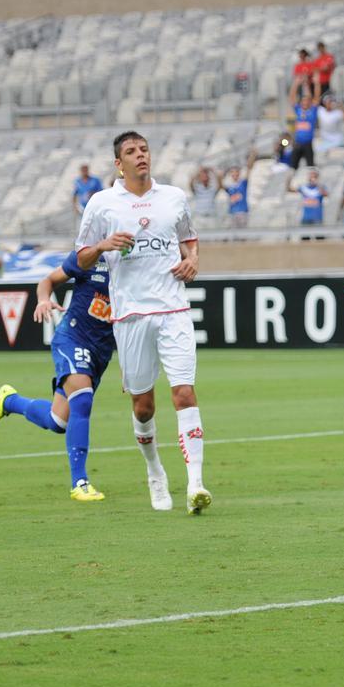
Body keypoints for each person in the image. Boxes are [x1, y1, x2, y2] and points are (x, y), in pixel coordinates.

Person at [76, 130, 211, 515]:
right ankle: (155, 471)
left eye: (145, 149)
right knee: (144, 406)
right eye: (132, 152)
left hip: (174, 310)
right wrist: (103, 246)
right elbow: (81, 257)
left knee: (184, 393)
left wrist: (193, 261)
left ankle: (196, 483)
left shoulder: (174, 197)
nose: (141, 155)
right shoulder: (102, 204)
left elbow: (189, 238)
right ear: (119, 164)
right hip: (131, 316)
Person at [0, 252, 117, 502]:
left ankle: (9, 401)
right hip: (73, 337)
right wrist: (44, 300)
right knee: (82, 400)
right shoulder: (89, 256)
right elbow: (48, 281)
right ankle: (80, 482)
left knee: (58, 421)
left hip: (101, 351)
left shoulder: (136, 266)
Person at [222, 150, 257, 229]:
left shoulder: (243, 183)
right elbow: (221, 185)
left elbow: (249, 169)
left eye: (236, 172)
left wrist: (252, 156)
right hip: (232, 212)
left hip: (243, 212)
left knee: (243, 232)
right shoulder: (229, 186)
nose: (234, 174)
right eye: (232, 172)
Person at [288, 91, 318, 171]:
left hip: (308, 143)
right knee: (293, 167)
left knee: (310, 167)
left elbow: (316, 98)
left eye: (307, 100)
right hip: (297, 143)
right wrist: (296, 84)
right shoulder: (298, 110)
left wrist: (316, 85)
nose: (305, 102)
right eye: (303, 100)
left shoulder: (312, 111)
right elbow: (291, 98)